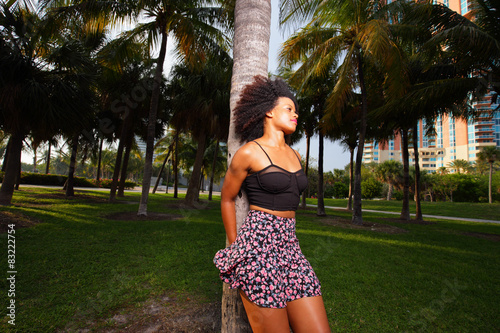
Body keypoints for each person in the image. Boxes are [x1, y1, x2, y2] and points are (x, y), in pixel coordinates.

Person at [213, 75, 330, 333]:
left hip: (291, 247)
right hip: (257, 247)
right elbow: (227, 198)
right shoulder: (250, 152)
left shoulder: (295, 155)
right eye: (288, 109)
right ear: (268, 111)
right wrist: (236, 249)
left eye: (296, 111)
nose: (295, 115)